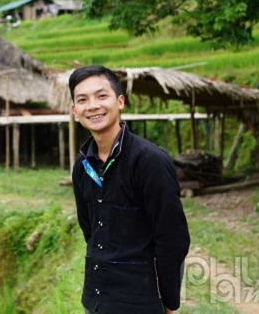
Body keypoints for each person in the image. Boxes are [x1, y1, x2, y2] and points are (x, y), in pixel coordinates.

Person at [69, 65, 190, 314]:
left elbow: (172, 237)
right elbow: (89, 230)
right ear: (74, 110)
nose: (92, 106)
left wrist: (169, 302)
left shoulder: (150, 161)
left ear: (120, 101)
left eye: (102, 96)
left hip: (140, 301)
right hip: (96, 300)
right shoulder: (82, 165)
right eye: (82, 100)